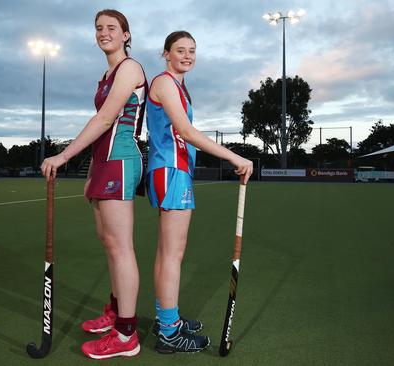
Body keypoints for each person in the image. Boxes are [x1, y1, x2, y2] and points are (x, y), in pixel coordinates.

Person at [40, 9, 147, 360]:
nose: (104, 33)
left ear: (126, 35)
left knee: (120, 247)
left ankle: (126, 334)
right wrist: (89, 169)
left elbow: (104, 119)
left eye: (111, 28)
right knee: (108, 243)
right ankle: (116, 311)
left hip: (120, 160)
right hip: (102, 164)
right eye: (99, 28)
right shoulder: (106, 73)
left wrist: (63, 156)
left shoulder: (129, 68)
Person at [145, 31, 253, 354]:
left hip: (173, 172)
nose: (188, 55)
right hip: (171, 172)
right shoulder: (164, 82)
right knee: (173, 255)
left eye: (192, 51)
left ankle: (168, 317)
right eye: (180, 50)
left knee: (167, 253)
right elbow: (187, 132)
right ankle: (168, 332)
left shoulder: (178, 86)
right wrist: (234, 156)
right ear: (166, 53)